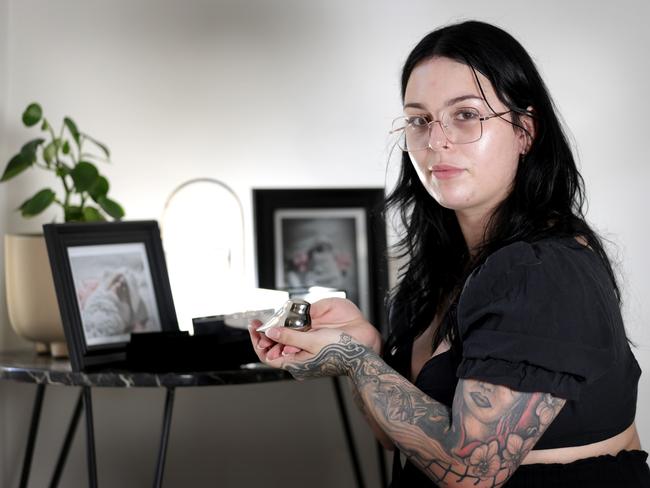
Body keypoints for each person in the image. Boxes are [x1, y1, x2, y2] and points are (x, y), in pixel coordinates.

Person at [248, 20, 650, 487]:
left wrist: (356, 362)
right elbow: (397, 435)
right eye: (419, 120)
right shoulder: (438, 270)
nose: (436, 140)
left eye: (466, 115)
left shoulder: (541, 271)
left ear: (525, 131)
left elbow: (471, 471)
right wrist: (364, 347)